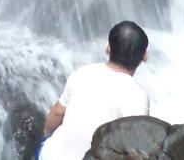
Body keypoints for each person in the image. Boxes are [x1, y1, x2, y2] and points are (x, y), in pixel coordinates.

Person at [39, 21, 150, 160]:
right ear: (145, 56)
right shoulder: (137, 96)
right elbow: (135, 147)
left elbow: (57, 113)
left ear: (108, 48)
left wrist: (46, 135)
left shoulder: (82, 73)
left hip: (51, 155)